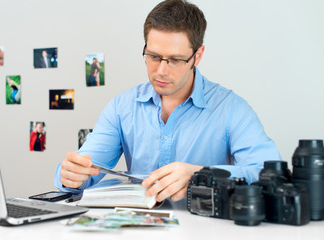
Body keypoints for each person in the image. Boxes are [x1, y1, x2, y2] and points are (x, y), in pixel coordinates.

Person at [54, 0, 281, 203]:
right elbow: (84, 172)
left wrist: (201, 175)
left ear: (197, 56)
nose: (161, 71)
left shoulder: (231, 109)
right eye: (153, 56)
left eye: (175, 60)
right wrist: (71, 176)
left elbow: (271, 175)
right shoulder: (121, 107)